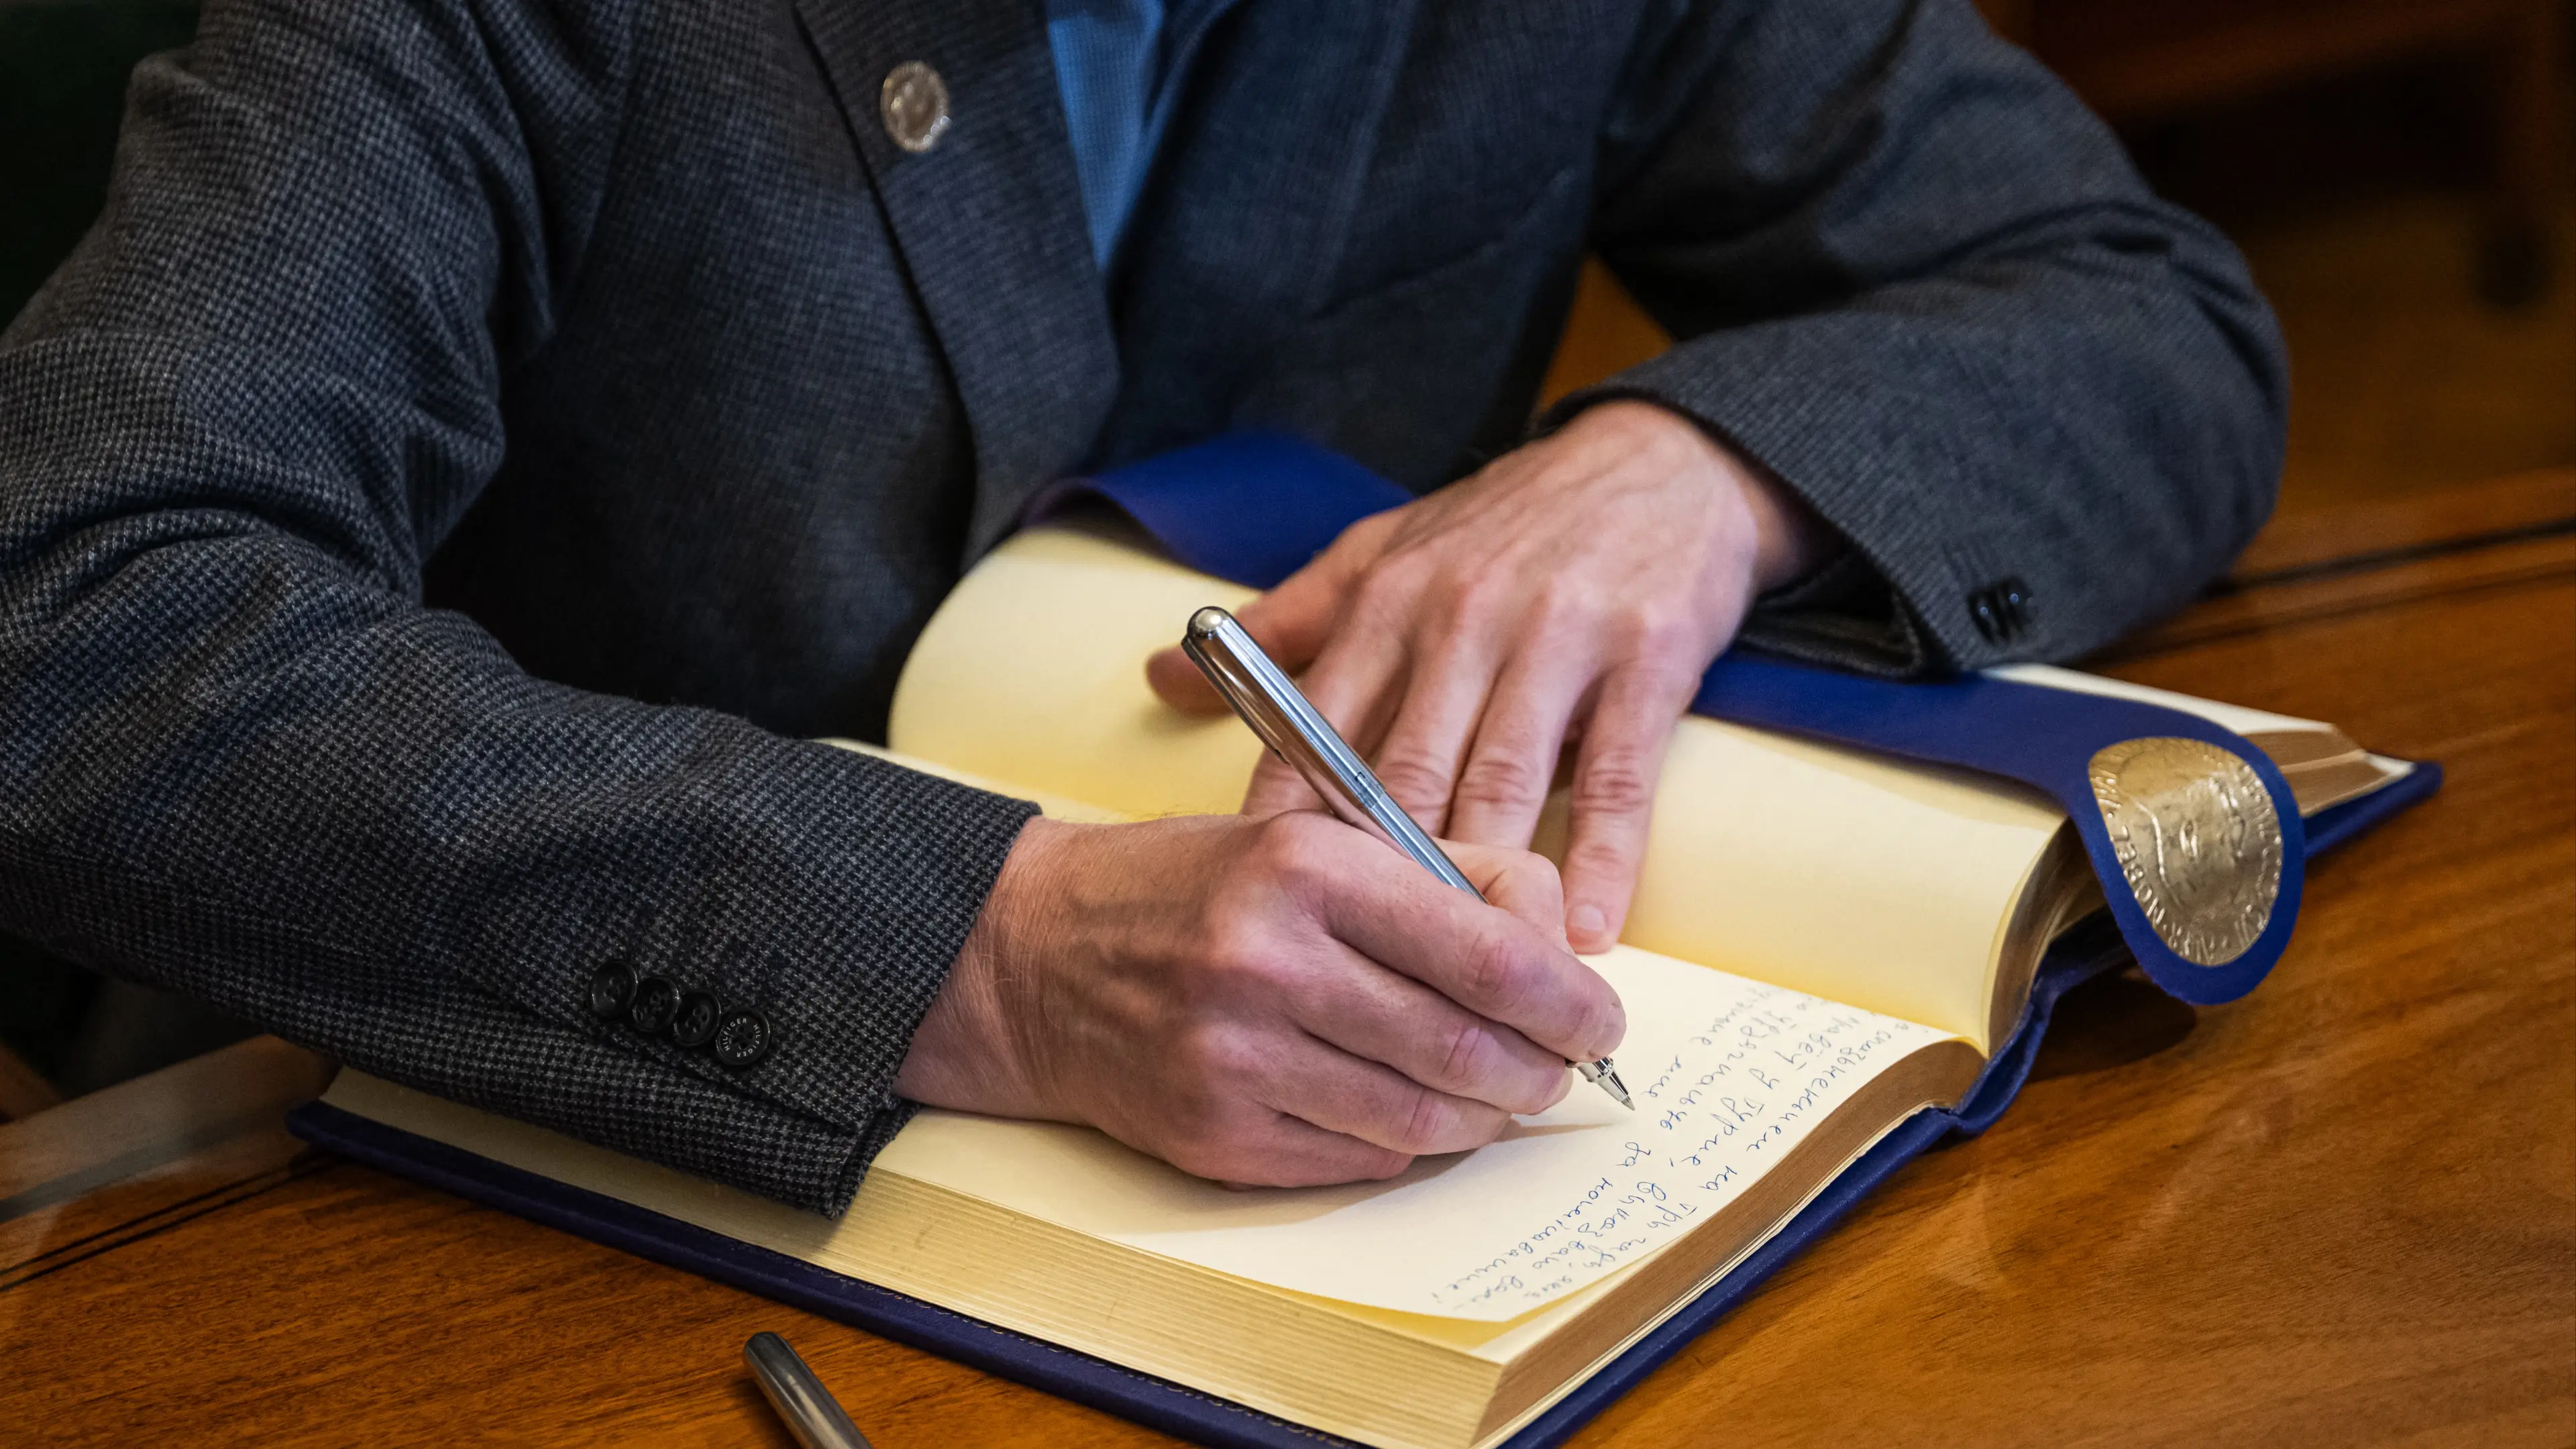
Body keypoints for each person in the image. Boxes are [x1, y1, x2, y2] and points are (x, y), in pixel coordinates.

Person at [0, 0, 2285, 1212]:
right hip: (471, 1123)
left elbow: (2141, 304)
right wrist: (975, 950)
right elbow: (73, 610)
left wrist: (1696, 470)